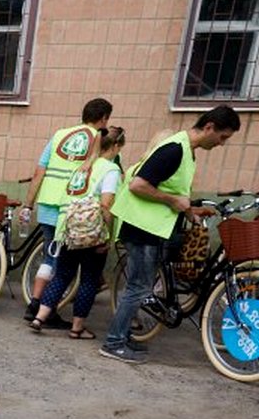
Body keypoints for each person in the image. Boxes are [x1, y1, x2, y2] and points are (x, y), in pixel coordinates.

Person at [100, 106, 239, 363]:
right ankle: (114, 342)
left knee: (138, 287)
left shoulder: (185, 150)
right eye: (222, 137)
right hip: (141, 227)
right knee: (137, 288)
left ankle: (120, 337)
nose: (221, 144)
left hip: (150, 227)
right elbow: (138, 185)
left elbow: (168, 190)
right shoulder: (175, 148)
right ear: (209, 127)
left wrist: (190, 209)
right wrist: (173, 200)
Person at [21, 98, 114, 326]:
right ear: (103, 118)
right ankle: (43, 308)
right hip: (71, 209)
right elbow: (93, 170)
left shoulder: (59, 134)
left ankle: (36, 303)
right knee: (64, 265)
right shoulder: (95, 137)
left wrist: (28, 204)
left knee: (49, 255)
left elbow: (39, 171)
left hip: (46, 204)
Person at [28, 127, 126, 341]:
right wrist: (108, 234)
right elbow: (106, 203)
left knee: (62, 274)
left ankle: (40, 317)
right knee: (89, 280)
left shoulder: (81, 167)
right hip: (92, 232)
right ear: (116, 147)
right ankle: (77, 327)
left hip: (68, 229)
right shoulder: (110, 170)